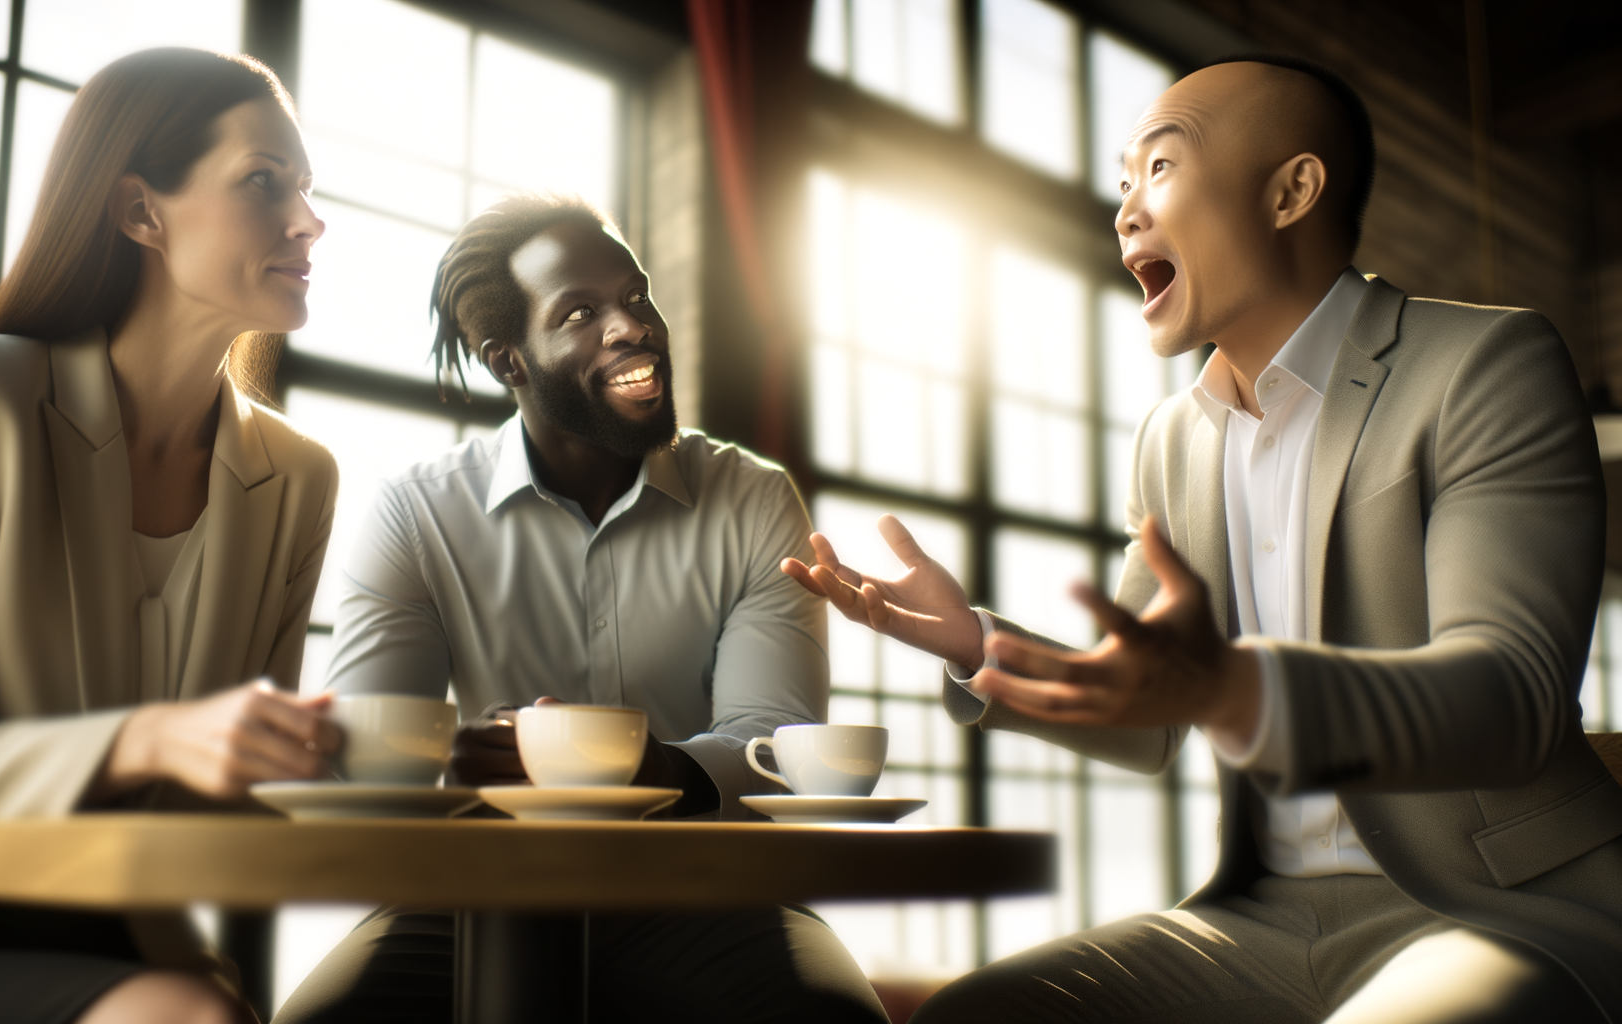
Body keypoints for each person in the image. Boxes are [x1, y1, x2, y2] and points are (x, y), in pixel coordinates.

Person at [785, 55, 1622, 1023]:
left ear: (1290, 192)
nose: (1125, 211)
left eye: (1161, 168)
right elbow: (1146, 715)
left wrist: (1244, 686)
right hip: (1260, 919)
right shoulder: (1172, 439)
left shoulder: (1482, 364)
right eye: (1121, 182)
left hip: (1495, 911)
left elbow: (1509, 698)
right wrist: (978, 646)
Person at [275, 193, 887, 1024]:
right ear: (510, 362)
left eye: (636, 297)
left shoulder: (753, 498)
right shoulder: (415, 515)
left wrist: (657, 770)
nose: (631, 326)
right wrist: (464, 760)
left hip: (714, 895)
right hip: (467, 893)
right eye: (580, 312)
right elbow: (377, 758)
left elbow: (773, 744)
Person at [0, 48, 340, 1024]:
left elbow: (235, 797)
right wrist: (150, 738)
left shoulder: (299, 478)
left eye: (307, 189)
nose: (309, 220)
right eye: (263, 182)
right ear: (141, 212)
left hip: (130, 942)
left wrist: (366, 759)